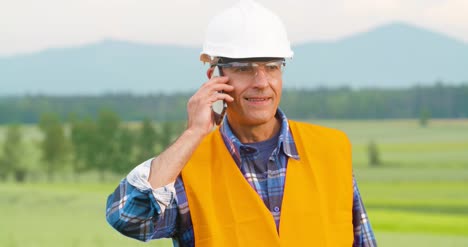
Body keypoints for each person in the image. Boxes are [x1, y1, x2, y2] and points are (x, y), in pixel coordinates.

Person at [106, 0, 377, 246]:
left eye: (271, 66)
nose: (261, 82)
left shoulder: (331, 149)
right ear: (215, 78)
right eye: (244, 68)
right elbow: (129, 217)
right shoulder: (187, 169)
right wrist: (193, 133)